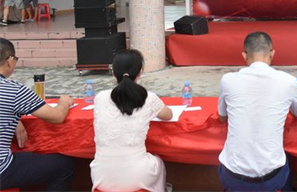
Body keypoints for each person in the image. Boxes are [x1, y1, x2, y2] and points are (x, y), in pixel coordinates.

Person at [218, 31, 297, 191]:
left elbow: (222, 118)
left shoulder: (228, 80)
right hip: (271, 180)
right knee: (285, 160)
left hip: (233, 178)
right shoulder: (288, 81)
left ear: (244, 55)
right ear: (272, 53)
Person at [91, 49, 172, 192]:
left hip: (100, 176)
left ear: (113, 72)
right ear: (140, 72)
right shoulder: (148, 97)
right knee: (157, 162)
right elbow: (168, 115)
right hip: (138, 175)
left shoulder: (100, 97)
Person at [0, 37, 75, 190]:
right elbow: (57, 116)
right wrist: (64, 102)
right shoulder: (14, 90)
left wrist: (15, 119)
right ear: (10, 61)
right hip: (2, 170)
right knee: (63, 165)